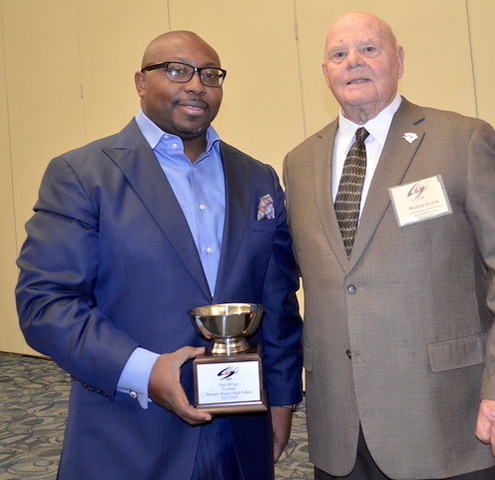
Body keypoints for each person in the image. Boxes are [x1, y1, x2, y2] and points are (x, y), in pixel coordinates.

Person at [16, 30, 302, 480]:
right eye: (176, 70)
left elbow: (279, 302)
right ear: (140, 82)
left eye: (210, 74)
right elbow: (46, 304)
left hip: (240, 434)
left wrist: (283, 399)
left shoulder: (258, 178)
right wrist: (145, 372)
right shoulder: (81, 174)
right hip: (130, 432)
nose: (196, 85)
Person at [283, 11, 495, 480]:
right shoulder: (299, 162)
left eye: (369, 49)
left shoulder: (460, 140)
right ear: (325, 73)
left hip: (452, 420)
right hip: (341, 426)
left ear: (398, 59)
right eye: (339, 54)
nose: (354, 62)